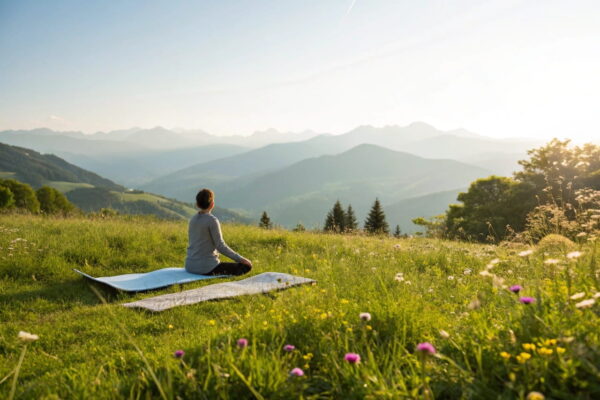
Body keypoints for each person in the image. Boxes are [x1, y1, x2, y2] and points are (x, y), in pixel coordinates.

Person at [185, 188, 252, 275]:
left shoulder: (193, 219)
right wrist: (241, 259)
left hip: (190, 266)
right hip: (206, 268)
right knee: (247, 266)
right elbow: (220, 246)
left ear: (197, 204)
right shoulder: (212, 220)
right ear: (212, 204)